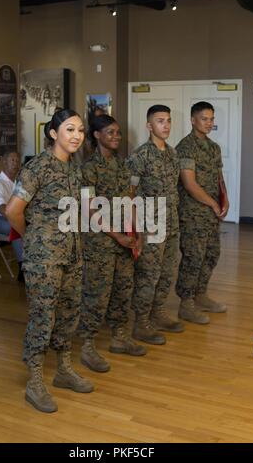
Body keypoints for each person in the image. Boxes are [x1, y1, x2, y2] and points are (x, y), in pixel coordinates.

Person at [6, 109, 93, 414]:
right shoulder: (37, 167)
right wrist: (34, 240)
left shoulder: (74, 168)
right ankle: (34, 382)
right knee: (43, 318)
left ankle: (64, 370)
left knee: (68, 314)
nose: (77, 136)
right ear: (54, 134)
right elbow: (13, 211)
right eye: (70, 130)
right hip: (44, 259)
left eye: (80, 130)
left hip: (71, 254)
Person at [77, 114, 146, 373]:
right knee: (96, 295)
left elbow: (130, 199)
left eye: (118, 132)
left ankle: (119, 337)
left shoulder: (123, 165)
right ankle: (87, 346)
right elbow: (89, 209)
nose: (116, 136)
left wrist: (136, 232)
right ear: (96, 135)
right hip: (100, 244)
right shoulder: (88, 168)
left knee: (122, 290)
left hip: (124, 242)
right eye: (110, 132)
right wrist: (116, 235)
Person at [128, 105, 184, 346]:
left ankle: (158, 312)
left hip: (171, 224)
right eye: (160, 121)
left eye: (169, 120)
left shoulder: (172, 154)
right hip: (150, 225)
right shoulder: (139, 156)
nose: (166, 125)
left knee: (167, 272)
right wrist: (136, 228)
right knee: (148, 275)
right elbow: (128, 194)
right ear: (149, 126)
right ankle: (141, 323)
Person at [175, 101, 229, 324]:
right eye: (204, 118)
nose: (209, 123)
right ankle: (186, 304)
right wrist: (213, 204)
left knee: (211, 254)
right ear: (193, 120)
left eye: (211, 119)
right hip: (192, 213)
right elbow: (189, 184)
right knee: (193, 257)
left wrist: (224, 199)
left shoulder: (214, 147)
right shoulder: (185, 147)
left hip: (210, 213)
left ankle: (201, 294)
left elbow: (218, 178)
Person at [0, 148, 24, 282]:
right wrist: (18, 218)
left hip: (15, 218)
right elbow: (2, 209)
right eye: (12, 160)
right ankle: (22, 268)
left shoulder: (18, 182)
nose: (15, 163)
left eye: (17, 160)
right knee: (17, 226)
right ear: (4, 162)